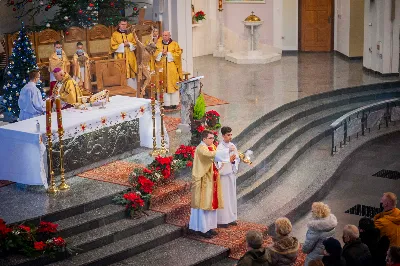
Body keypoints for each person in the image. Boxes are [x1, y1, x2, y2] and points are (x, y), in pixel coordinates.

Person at [189, 130, 230, 238]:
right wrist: (227, 152)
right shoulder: (201, 149)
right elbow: (211, 155)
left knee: (212, 204)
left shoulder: (211, 146)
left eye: (213, 138)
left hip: (212, 180)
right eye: (210, 138)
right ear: (204, 139)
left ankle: (210, 227)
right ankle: (202, 229)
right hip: (204, 181)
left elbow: (216, 160)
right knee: (204, 204)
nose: (213, 140)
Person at [216, 126, 239, 228]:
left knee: (231, 197)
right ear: (223, 136)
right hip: (224, 176)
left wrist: (234, 160)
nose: (230, 137)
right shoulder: (220, 148)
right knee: (224, 197)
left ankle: (231, 218)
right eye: (228, 135)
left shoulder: (232, 145)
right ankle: (223, 220)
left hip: (231, 174)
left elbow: (236, 158)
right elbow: (219, 163)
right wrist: (228, 157)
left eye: (231, 134)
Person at [155, 31, 182, 109]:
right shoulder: (158, 44)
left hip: (171, 68)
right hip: (161, 68)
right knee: (162, 83)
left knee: (172, 84)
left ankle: (174, 103)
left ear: (169, 36)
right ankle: (164, 103)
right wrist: (161, 54)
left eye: (166, 35)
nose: (164, 36)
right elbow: (154, 54)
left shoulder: (174, 44)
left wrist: (168, 54)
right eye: (163, 35)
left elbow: (178, 54)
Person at [110, 19, 137, 89]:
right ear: (119, 25)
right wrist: (123, 45)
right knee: (121, 71)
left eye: (125, 24)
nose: (124, 26)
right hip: (120, 56)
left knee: (131, 72)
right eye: (122, 24)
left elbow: (135, 44)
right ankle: (122, 90)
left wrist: (129, 44)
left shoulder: (130, 34)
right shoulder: (115, 34)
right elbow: (113, 46)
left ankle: (133, 90)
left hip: (130, 56)